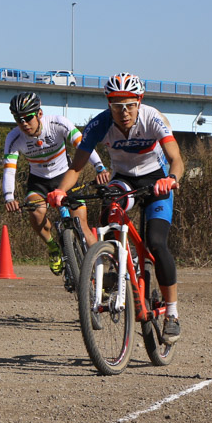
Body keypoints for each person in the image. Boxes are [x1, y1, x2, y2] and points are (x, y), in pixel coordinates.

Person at [47, 73, 186, 342]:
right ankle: (120, 261)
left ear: (139, 101)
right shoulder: (99, 124)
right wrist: (60, 191)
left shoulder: (152, 118)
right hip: (123, 179)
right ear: (108, 104)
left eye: (130, 104)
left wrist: (171, 179)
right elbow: (76, 166)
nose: (124, 112)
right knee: (109, 216)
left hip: (157, 179)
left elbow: (175, 157)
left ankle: (172, 313)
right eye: (116, 105)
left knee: (156, 243)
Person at [2, 92, 109, 274]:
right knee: (37, 213)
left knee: (82, 225)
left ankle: (103, 275)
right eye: (19, 120)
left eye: (28, 118)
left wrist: (100, 167)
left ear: (40, 114)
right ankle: (53, 248)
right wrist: (9, 197)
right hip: (39, 182)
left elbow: (84, 145)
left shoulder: (58, 123)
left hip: (65, 178)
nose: (24, 124)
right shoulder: (14, 138)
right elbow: (9, 170)